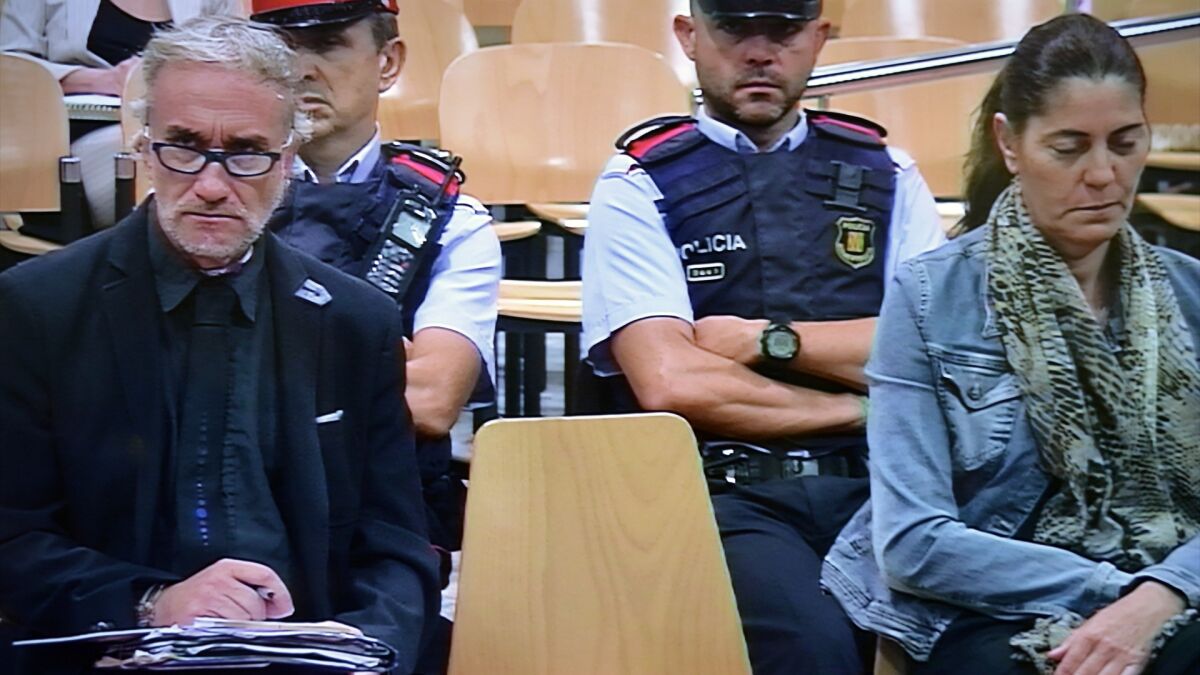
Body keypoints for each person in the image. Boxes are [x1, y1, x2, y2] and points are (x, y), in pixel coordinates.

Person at [0, 16, 439, 674]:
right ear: (143, 148)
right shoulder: (37, 306)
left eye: (246, 151)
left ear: (286, 162)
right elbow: (12, 535)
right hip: (112, 653)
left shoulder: (356, 321)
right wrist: (151, 603)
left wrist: (363, 651)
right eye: (183, 147)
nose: (211, 184)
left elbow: (397, 547)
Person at [823, 13, 1200, 675]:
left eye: (1125, 142)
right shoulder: (929, 296)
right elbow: (913, 543)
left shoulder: (1190, 291)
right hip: (987, 606)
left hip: (1169, 589)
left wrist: (1164, 592)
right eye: (1069, 147)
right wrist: (1119, 594)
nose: (1104, 174)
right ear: (1010, 144)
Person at [579, 0, 944, 672]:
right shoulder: (637, 181)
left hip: (888, 490)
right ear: (689, 35)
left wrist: (766, 340)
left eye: (782, 31)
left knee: (968, 642)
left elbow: (935, 358)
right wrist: (867, 405)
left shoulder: (890, 172)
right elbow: (673, 382)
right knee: (816, 650)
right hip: (723, 493)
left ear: (818, 37)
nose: (759, 52)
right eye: (735, 28)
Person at [249, 0, 501, 558]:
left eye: (328, 45)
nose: (301, 70)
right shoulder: (211, 200)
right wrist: (376, 365)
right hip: (228, 517)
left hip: (383, 528)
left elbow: (432, 400)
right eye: (281, 49)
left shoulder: (453, 221)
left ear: (388, 62)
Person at [0, 0, 242, 230]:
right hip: (69, 132)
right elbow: (9, 64)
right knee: (167, 159)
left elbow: (238, 65)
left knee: (241, 160)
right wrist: (99, 81)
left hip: (183, 128)